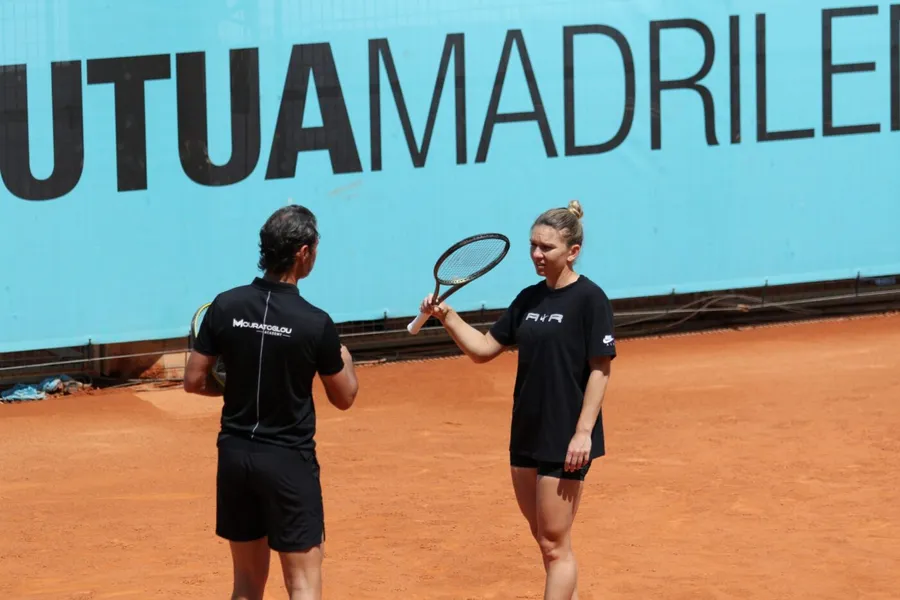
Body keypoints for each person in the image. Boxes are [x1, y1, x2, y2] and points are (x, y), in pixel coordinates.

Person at [418, 200, 615, 600]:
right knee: (545, 539)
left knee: (555, 544)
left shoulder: (591, 299)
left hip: (566, 436)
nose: (537, 254)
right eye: (533, 246)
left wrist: (583, 433)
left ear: (573, 251)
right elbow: (483, 349)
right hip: (526, 431)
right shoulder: (528, 298)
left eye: (547, 247)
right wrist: (447, 316)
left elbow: (600, 369)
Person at [184, 204, 359, 600]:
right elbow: (344, 396)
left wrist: (240, 387)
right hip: (288, 463)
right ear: (303, 252)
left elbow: (194, 381)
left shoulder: (225, 305)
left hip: (235, 458)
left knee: (246, 585)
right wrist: (346, 359)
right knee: (303, 583)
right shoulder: (316, 322)